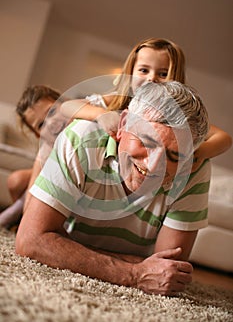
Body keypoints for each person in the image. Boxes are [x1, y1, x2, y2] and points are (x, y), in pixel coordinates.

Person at [16, 81, 210, 296]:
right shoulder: (80, 137)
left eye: (173, 156)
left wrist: (65, 247)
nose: (153, 166)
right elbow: (30, 240)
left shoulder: (193, 169)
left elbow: (167, 271)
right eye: (146, 142)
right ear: (123, 124)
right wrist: (134, 272)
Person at [61, 38, 232, 169]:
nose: (151, 78)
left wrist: (197, 153)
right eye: (144, 70)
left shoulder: (179, 116)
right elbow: (66, 106)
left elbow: (224, 138)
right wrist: (101, 114)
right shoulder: (118, 101)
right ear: (130, 72)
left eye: (163, 73)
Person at [0, 85, 69, 229]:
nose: (51, 123)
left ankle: (14, 215)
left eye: (52, 111)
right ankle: (18, 218)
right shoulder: (48, 145)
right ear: (38, 135)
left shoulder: (83, 120)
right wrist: (29, 218)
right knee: (16, 180)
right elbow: (32, 191)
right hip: (52, 180)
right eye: (41, 125)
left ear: (65, 103)